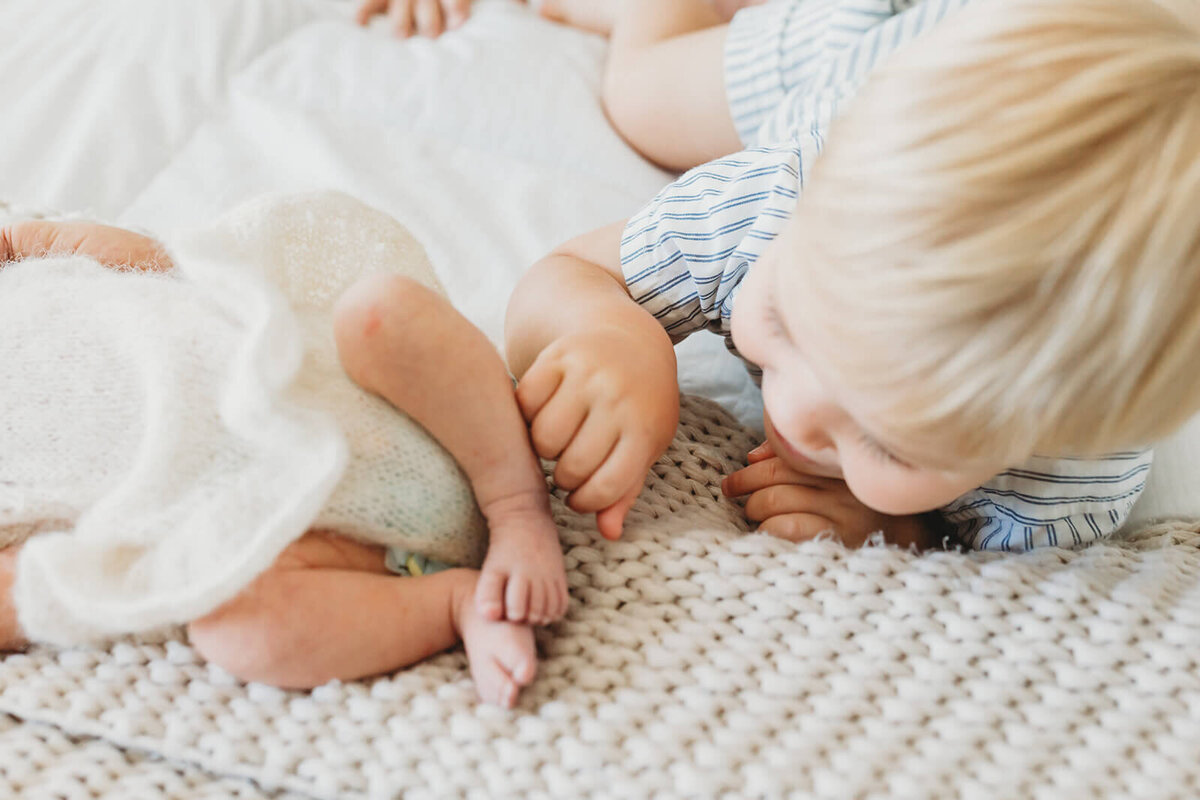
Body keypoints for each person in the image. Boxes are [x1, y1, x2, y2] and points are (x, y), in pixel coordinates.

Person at [505, 0, 1199, 551]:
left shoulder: (1059, 490)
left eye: (886, 442)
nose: (798, 416)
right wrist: (615, 332)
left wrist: (904, 531)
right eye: (780, 318)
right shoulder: (784, 201)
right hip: (871, 48)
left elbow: (991, 574)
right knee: (643, 95)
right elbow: (568, 272)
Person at [0, 216, 567, 708]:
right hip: (296, 525)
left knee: (380, 308)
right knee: (234, 631)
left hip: (367, 395)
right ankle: (456, 600)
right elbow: (19, 591)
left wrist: (24, 239)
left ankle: (516, 504)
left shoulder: (23, 274)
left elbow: (148, 260)